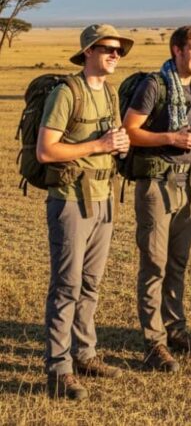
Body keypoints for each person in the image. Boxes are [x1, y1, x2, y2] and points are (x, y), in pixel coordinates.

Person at [37, 24, 133, 400]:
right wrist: (99, 144)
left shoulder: (109, 93)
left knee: (91, 284)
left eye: (119, 50)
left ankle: (84, 354)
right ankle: (58, 369)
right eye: (108, 49)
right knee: (66, 285)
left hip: (103, 197)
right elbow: (47, 151)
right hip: (70, 200)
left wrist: (118, 145)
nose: (115, 55)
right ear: (88, 52)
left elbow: (110, 142)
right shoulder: (66, 93)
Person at [123, 25, 191, 373]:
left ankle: (175, 329)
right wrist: (171, 138)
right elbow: (129, 131)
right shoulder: (154, 85)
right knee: (154, 264)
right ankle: (154, 343)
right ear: (176, 50)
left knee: (178, 262)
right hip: (155, 182)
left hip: (186, 180)